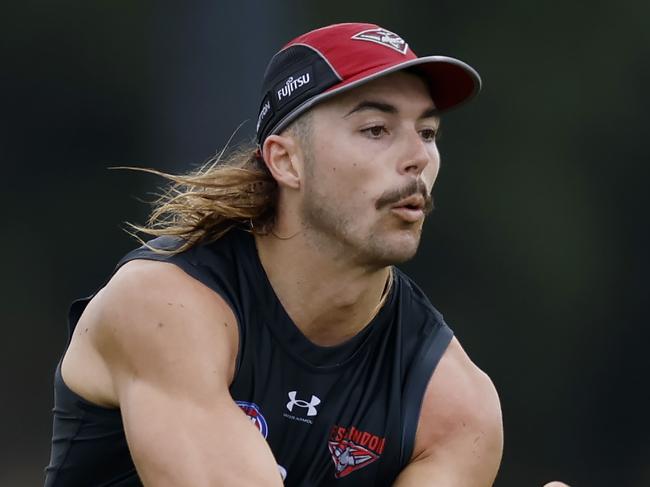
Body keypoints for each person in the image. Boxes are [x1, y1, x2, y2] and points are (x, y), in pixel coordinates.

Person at [45, 22, 564, 486]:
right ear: (287, 161)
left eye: (427, 133)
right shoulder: (163, 306)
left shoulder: (454, 406)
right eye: (376, 130)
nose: (418, 159)